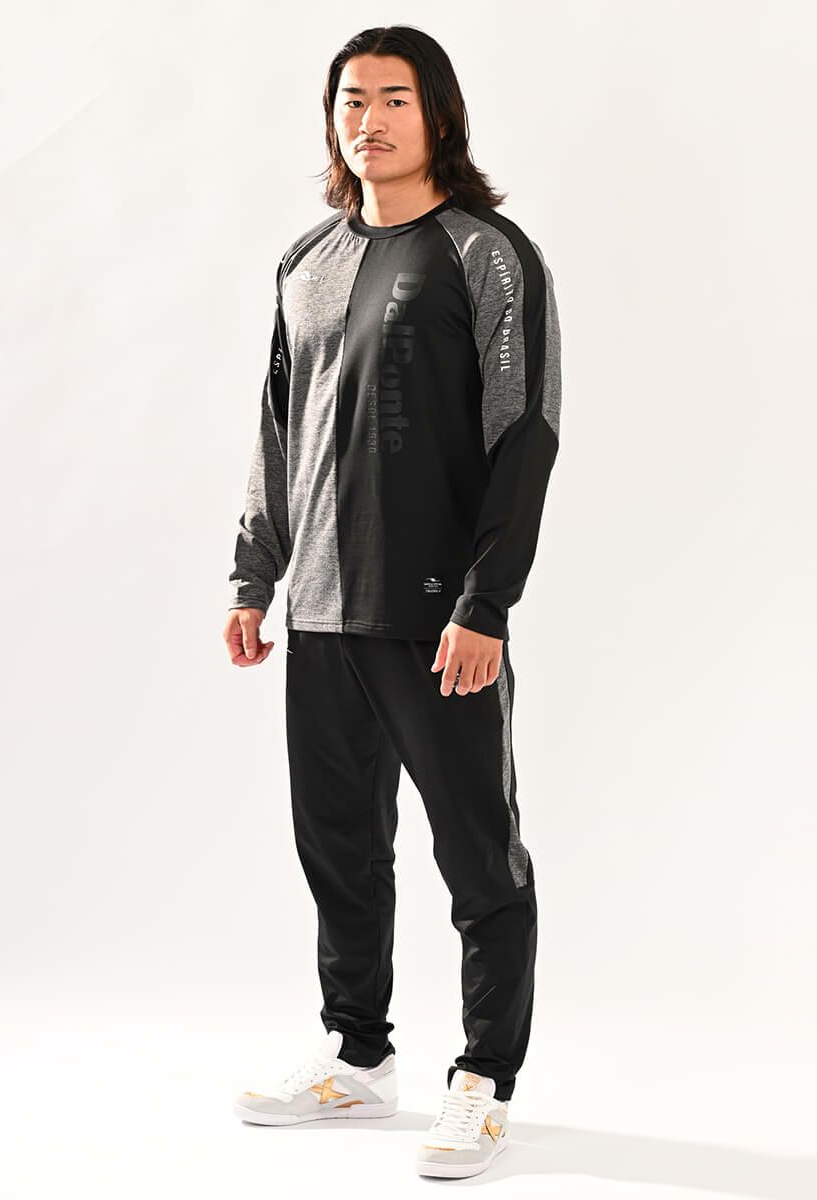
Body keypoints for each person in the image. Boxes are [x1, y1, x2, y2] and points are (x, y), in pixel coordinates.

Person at [222, 24, 561, 1181]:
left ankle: (484, 1080)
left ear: (440, 116)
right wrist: (254, 573)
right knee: (339, 849)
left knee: (478, 855)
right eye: (351, 100)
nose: (369, 120)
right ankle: (358, 1059)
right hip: (320, 610)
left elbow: (525, 435)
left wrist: (486, 603)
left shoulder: (487, 254)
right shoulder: (306, 260)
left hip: (435, 617)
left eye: (394, 99)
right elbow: (279, 427)